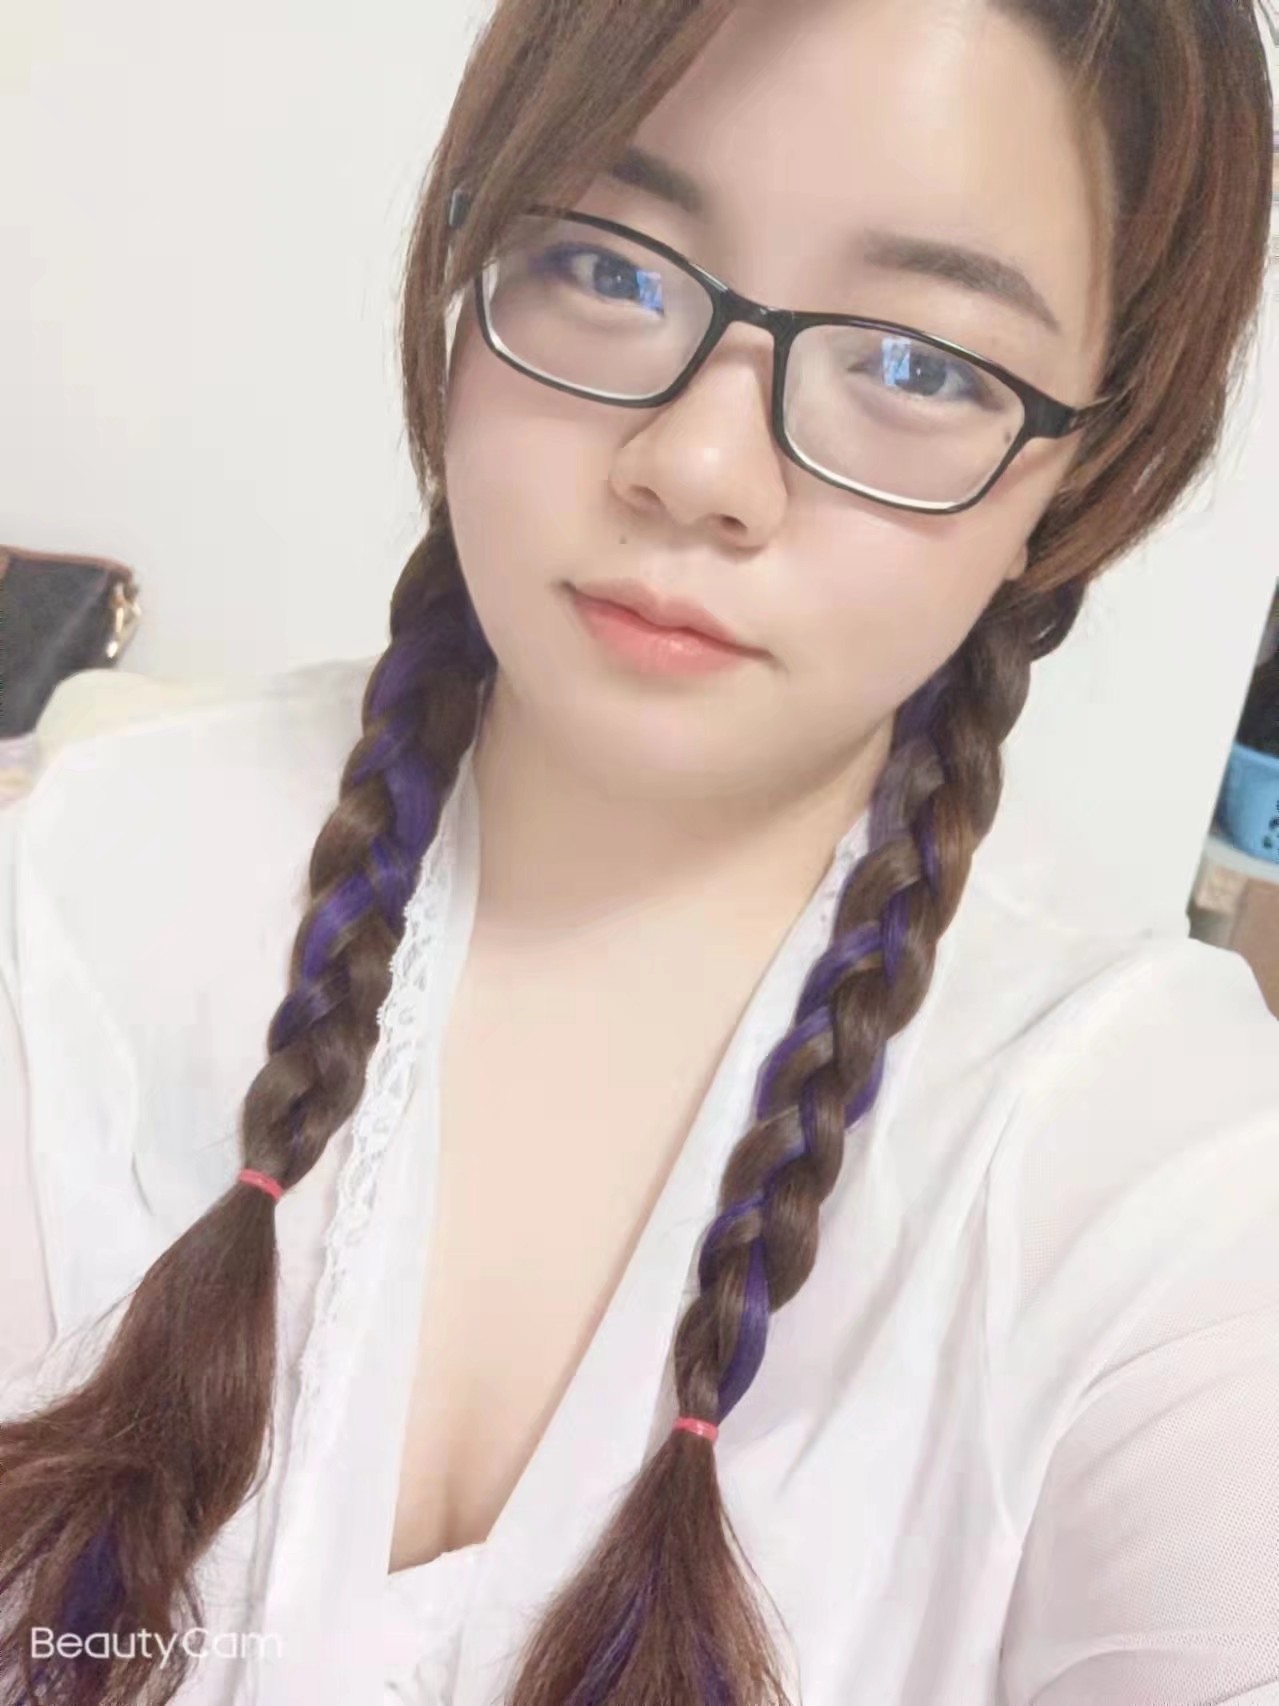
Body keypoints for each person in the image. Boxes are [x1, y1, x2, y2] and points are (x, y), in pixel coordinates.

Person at [1, 0, 1276, 1700]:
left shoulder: (1160, 1181)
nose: (696, 464)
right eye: (607, 266)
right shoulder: (97, 878)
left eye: (918, 365)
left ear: (1085, 466)